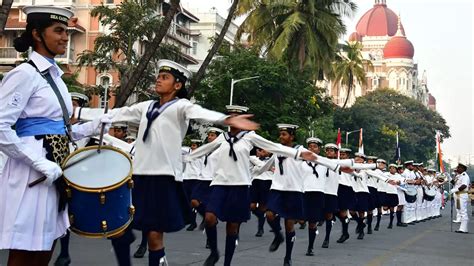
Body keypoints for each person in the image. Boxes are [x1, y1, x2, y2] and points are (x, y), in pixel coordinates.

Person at [75, 61, 259, 266]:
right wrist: (78, 113)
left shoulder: (181, 107)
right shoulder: (145, 107)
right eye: (158, 77)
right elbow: (115, 114)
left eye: (165, 78)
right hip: (137, 177)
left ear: (177, 85)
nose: (158, 80)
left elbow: (201, 112)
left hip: (164, 179)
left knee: (154, 237)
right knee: (118, 229)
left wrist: (227, 120)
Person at [0, 6, 111, 266]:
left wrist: (94, 126)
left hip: (56, 168)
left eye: (66, 31)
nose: (65, 37)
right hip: (32, 170)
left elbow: (62, 129)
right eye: (58, 31)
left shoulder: (57, 78)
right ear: (37, 34)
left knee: (45, 245)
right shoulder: (23, 75)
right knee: (25, 249)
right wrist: (39, 163)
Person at [186, 111, 317, 266]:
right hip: (220, 184)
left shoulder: (250, 137)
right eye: (231, 117)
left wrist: (299, 154)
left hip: (240, 186)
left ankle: (227, 262)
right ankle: (214, 252)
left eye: (237, 117)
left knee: (232, 228)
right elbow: (204, 150)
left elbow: (274, 147)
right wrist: (183, 158)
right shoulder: (222, 138)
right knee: (209, 218)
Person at [301, 137, 326, 256]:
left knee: (312, 222)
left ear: (319, 149)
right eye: (309, 146)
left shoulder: (325, 162)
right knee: (299, 220)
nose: (311, 148)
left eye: (314, 147)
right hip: (304, 193)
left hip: (318, 194)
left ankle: (310, 247)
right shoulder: (301, 162)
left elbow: (341, 165)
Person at [249, 147, 274, 237]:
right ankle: (261, 216)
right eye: (261, 149)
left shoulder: (273, 160)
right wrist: (268, 167)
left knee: (263, 207)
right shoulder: (253, 158)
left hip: (267, 182)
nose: (263, 150)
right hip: (255, 182)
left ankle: (260, 228)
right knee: (251, 206)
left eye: (266, 149)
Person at [451, 163, 470, 233]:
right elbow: (453, 183)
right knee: (459, 210)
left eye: (458, 168)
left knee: (463, 211)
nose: (457, 169)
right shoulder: (459, 176)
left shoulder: (465, 176)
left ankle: (463, 229)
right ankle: (463, 228)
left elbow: (464, 186)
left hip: (462, 195)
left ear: (463, 169)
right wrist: (449, 177)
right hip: (458, 195)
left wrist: (455, 190)